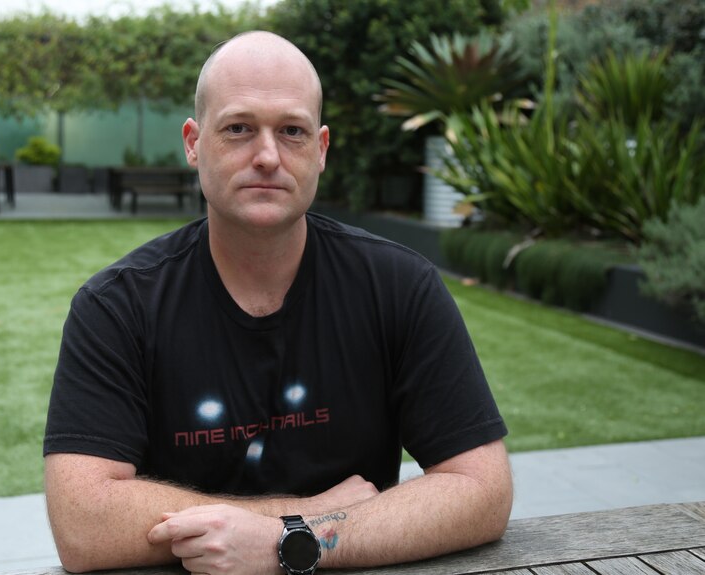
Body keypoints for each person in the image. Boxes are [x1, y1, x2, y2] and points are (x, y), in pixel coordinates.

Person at [43, 30, 512, 575]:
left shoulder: (399, 286)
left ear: (321, 149)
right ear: (194, 143)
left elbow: (483, 491)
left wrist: (283, 544)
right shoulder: (116, 307)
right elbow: (82, 523)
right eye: (239, 129)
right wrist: (303, 519)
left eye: (292, 131)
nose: (267, 156)